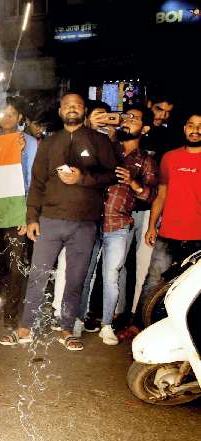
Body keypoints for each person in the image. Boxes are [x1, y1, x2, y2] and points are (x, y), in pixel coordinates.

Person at [0, 92, 117, 351]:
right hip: (49, 221)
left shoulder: (99, 141)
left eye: (77, 105)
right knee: (38, 275)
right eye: (67, 106)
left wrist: (82, 178)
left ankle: (66, 328)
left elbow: (111, 175)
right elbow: (38, 182)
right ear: (61, 111)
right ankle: (25, 326)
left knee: (75, 278)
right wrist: (32, 217)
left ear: (84, 111)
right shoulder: (50, 143)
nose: (72, 109)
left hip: (84, 224)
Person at [73, 106, 158, 344]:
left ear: (146, 128)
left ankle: (107, 325)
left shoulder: (147, 161)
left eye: (135, 119)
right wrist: (105, 133)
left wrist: (134, 184)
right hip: (91, 219)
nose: (128, 121)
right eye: (126, 116)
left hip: (119, 224)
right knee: (86, 272)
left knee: (111, 275)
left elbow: (150, 196)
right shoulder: (106, 146)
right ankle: (78, 320)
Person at [119, 110, 201, 339]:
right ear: (185, 128)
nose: (196, 130)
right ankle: (139, 326)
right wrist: (152, 225)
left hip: (199, 238)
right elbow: (162, 194)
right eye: (191, 125)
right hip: (169, 232)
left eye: (200, 126)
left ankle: (181, 335)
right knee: (154, 281)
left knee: (191, 290)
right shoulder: (170, 158)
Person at [0, 96, 38, 328]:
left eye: (11, 114)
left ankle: (10, 316)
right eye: (3, 114)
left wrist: (27, 215)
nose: (6, 118)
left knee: (16, 264)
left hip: (17, 210)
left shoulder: (29, 142)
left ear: (20, 118)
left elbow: (32, 179)